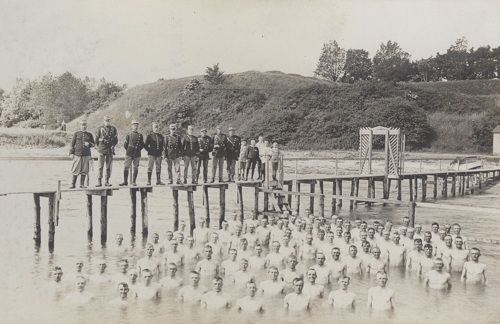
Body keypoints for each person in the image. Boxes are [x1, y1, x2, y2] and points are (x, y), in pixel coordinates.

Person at [69, 119, 95, 189]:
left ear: (86, 126)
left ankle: (82, 184)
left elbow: (93, 144)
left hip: (86, 154)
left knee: (84, 170)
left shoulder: (89, 135)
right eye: (82, 125)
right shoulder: (76, 134)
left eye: (85, 125)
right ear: (80, 126)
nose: (83, 126)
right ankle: (73, 184)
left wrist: (89, 144)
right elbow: (72, 144)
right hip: (77, 154)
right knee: (75, 169)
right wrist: (71, 153)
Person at [119, 120, 144, 186]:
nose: (135, 127)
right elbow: (125, 145)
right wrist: (129, 150)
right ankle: (125, 181)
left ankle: (134, 181)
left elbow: (142, 145)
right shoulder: (129, 135)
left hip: (137, 153)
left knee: (136, 167)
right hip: (129, 153)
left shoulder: (140, 135)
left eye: (136, 126)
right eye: (134, 126)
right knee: (126, 167)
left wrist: (138, 149)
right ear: (132, 126)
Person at [94, 116, 118, 187]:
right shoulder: (100, 129)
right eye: (106, 120)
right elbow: (96, 140)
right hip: (101, 149)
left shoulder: (113, 129)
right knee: (100, 166)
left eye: (108, 120)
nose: (107, 122)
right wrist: (99, 147)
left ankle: (107, 181)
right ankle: (99, 181)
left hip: (109, 150)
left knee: (108, 167)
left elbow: (116, 139)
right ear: (104, 121)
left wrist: (113, 145)